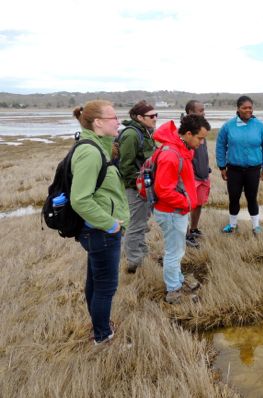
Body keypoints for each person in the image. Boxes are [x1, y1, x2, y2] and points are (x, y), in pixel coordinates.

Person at [71, 100, 130, 344]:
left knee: (95, 281)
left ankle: (99, 325)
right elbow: (80, 199)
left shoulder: (98, 146)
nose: (118, 121)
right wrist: (110, 224)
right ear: (98, 122)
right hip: (101, 231)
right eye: (113, 117)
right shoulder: (90, 151)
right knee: (105, 287)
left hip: (97, 231)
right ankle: (103, 337)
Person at [153, 114, 211, 304]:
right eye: (200, 138)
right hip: (171, 212)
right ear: (187, 134)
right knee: (173, 253)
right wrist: (186, 203)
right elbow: (163, 190)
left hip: (177, 211)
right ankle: (173, 291)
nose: (202, 143)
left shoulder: (181, 149)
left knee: (177, 250)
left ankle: (177, 280)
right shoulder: (171, 155)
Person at [215, 95, 263, 234]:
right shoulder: (228, 126)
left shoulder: (260, 126)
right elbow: (220, 146)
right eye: (244, 107)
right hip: (234, 170)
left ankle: (255, 226)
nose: (248, 110)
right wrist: (222, 166)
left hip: (253, 169)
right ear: (238, 109)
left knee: (252, 197)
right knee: (233, 198)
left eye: (250, 108)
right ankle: (232, 225)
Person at [118, 101, 158, 273]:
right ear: (140, 117)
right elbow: (125, 166)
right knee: (135, 224)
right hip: (135, 188)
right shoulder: (132, 135)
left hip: (145, 187)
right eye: (152, 116)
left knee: (142, 222)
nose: (155, 119)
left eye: (156, 115)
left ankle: (141, 254)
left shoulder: (147, 133)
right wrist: (139, 185)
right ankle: (134, 262)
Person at [182, 100, 211, 248]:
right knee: (187, 206)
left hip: (203, 174)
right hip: (191, 177)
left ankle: (193, 229)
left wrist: (207, 169)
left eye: (203, 110)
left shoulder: (202, 129)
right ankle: (185, 234)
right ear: (190, 112)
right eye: (200, 110)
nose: (203, 112)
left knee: (198, 204)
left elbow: (203, 153)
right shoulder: (186, 132)